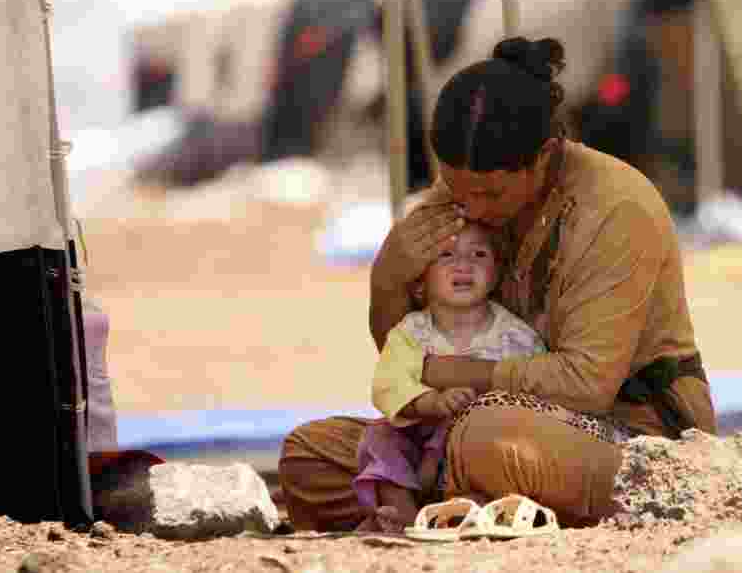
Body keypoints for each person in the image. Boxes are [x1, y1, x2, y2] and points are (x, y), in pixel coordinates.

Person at [279, 36, 716, 532]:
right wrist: (389, 279)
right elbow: (408, 355)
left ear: (547, 155)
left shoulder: (615, 207)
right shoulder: (463, 191)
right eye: (458, 188)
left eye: (490, 193)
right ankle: (455, 503)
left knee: (485, 440)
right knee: (309, 455)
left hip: (635, 437)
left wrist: (457, 375)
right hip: (463, 429)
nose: (473, 208)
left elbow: (587, 384)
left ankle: (446, 500)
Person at [353, 221, 546, 532]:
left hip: (475, 446)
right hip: (419, 439)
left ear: (496, 275)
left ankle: (462, 511)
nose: (463, 265)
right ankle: (401, 511)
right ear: (420, 282)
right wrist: (432, 402)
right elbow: (388, 383)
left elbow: (536, 390)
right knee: (378, 436)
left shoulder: (516, 336)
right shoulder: (412, 331)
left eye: (479, 254)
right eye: (445, 255)